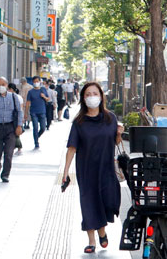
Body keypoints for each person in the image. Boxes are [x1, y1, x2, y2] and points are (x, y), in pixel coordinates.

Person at [61, 81, 124, 254]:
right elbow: (72, 148)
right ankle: (91, 240)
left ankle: (102, 231)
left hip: (106, 169)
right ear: (83, 98)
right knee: (88, 203)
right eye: (87, 94)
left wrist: (119, 134)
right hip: (86, 169)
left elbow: (115, 142)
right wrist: (66, 173)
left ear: (101, 96)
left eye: (94, 93)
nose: (91, 97)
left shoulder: (110, 118)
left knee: (106, 201)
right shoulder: (79, 122)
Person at [0, 77, 24, 182]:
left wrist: (19, 125)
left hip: (10, 128)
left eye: (3, 84)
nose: (1, 86)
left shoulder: (13, 97)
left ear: (7, 85)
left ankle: (5, 174)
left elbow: (19, 111)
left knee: (8, 153)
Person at [25, 76, 49, 149]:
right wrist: (26, 113)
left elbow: (48, 99)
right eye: (34, 82)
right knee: (35, 127)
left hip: (42, 111)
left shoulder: (43, 90)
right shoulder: (30, 92)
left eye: (37, 81)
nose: (36, 83)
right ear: (32, 82)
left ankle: (37, 136)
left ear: (40, 82)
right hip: (33, 112)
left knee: (43, 127)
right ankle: (36, 142)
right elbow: (28, 102)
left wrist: (44, 96)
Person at [8, 82, 24, 154]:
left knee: (15, 134)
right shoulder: (17, 97)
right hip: (14, 117)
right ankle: (16, 147)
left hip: (15, 118)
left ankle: (18, 147)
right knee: (15, 133)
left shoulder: (16, 97)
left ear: (11, 89)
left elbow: (20, 109)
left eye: (8, 89)